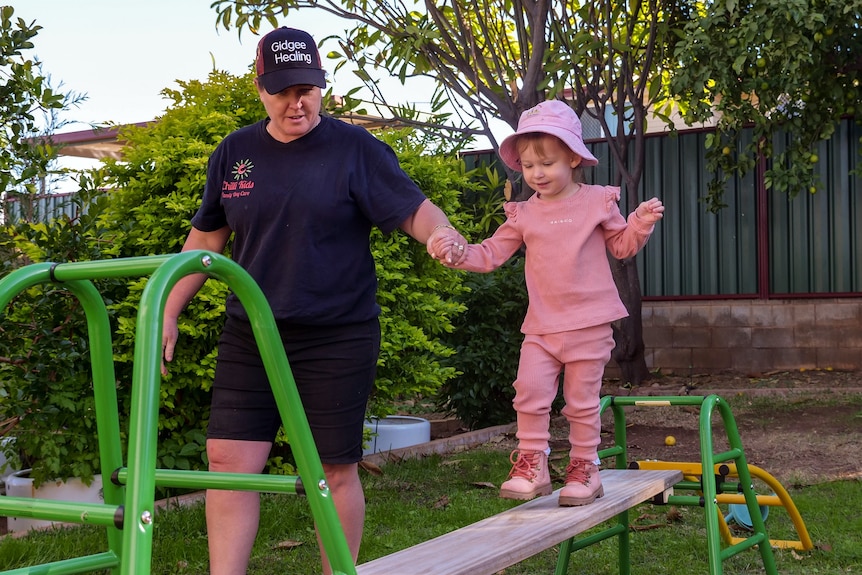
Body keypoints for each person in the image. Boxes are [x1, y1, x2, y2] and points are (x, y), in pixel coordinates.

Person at [161, 26, 467, 575]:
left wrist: (440, 234)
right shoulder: (234, 152)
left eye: (305, 88)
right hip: (252, 331)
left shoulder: (355, 150)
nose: (295, 102)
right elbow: (207, 239)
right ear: (260, 90)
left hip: (336, 332)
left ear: (321, 87)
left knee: (332, 467)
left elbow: (413, 209)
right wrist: (168, 306)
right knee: (229, 463)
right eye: (281, 90)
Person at [429, 99, 664, 506]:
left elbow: (622, 248)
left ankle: (585, 469)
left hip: (589, 325)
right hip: (541, 326)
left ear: (573, 157)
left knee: (580, 402)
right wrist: (457, 252)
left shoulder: (596, 201)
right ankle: (533, 464)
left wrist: (639, 222)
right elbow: (489, 253)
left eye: (547, 163)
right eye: (529, 165)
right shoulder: (523, 214)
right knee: (529, 391)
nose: (537, 173)